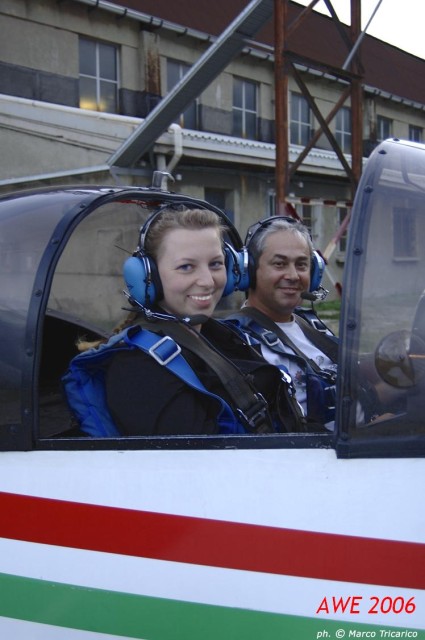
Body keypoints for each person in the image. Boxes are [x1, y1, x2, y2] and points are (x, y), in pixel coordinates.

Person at [63, 205, 305, 437]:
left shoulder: (220, 336)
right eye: (186, 267)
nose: (208, 281)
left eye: (215, 264)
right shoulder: (138, 370)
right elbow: (199, 469)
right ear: (149, 276)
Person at [225, 216, 344, 430]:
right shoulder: (236, 341)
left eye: (301, 265)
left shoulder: (312, 325)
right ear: (249, 271)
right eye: (279, 264)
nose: (292, 275)